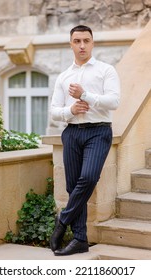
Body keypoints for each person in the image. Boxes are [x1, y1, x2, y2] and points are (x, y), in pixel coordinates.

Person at [50, 25, 120, 256]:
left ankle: (63, 221)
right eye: (77, 41)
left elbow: (114, 102)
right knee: (73, 187)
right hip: (72, 133)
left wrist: (85, 95)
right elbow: (54, 112)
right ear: (70, 43)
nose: (82, 45)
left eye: (86, 41)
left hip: (99, 132)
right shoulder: (63, 76)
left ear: (93, 43)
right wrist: (71, 109)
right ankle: (79, 239)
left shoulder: (105, 70)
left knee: (88, 177)